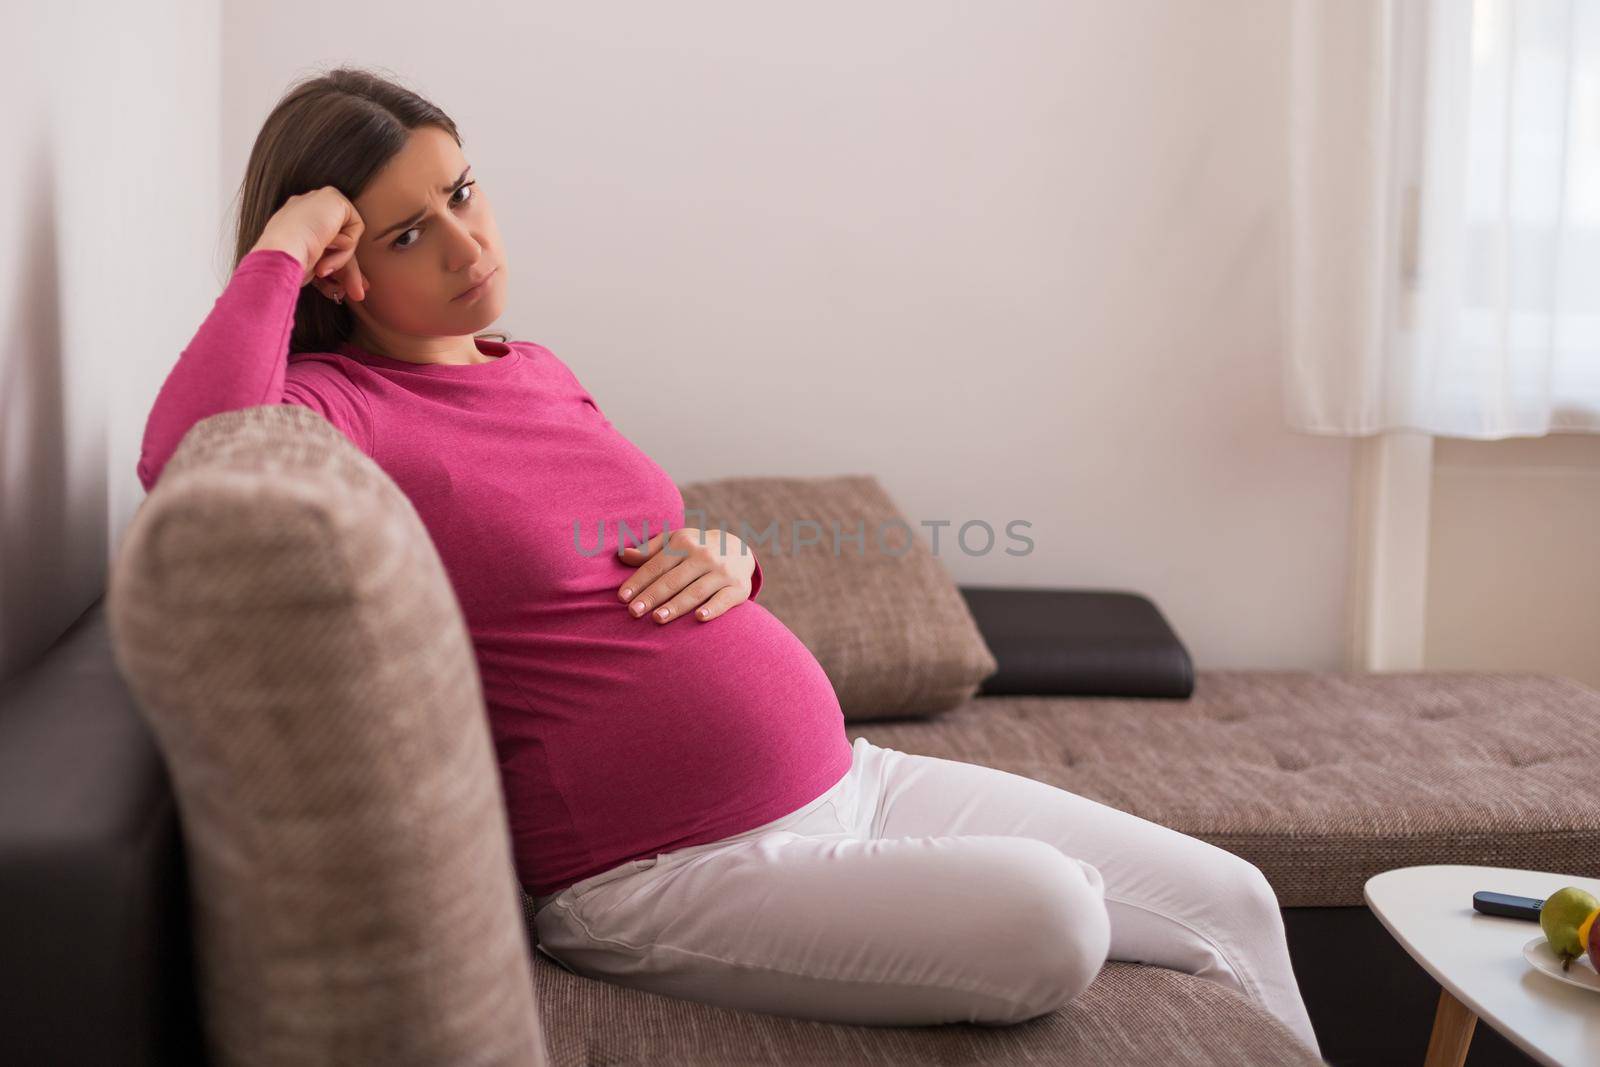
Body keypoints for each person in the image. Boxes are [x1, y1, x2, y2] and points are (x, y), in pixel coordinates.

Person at [137, 67, 1321, 1054]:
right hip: (658, 871)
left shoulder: (531, 363)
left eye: (461, 191)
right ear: (342, 263)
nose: (464, 242)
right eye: (406, 231)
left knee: (1235, 894)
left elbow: (603, 549)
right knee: (1054, 914)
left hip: (851, 780)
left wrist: (724, 556)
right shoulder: (337, 404)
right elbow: (186, 452)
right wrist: (282, 242)